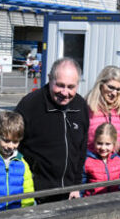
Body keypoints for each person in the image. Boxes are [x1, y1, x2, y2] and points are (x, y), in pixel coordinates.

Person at [14, 57, 90, 202]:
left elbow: (81, 150)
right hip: (35, 193)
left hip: (68, 192)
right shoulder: (30, 105)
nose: (65, 92)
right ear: (49, 78)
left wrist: (76, 185)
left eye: (71, 87)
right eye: (60, 85)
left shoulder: (80, 106)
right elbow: (12, 145)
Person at [85, 66, 120, 155]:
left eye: (118, 89)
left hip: (115, 165)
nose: (114, 93)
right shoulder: (87, 108)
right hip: (90, 163)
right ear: (100, 85)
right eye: (111, 87)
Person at [83, 122, 120, 196]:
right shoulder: (87, 162)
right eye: (99, 143)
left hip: (113, 201)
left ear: (114, 144)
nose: (103, 148)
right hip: (92, 203)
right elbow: (81, 187)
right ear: (94, 142)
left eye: (107, 144)